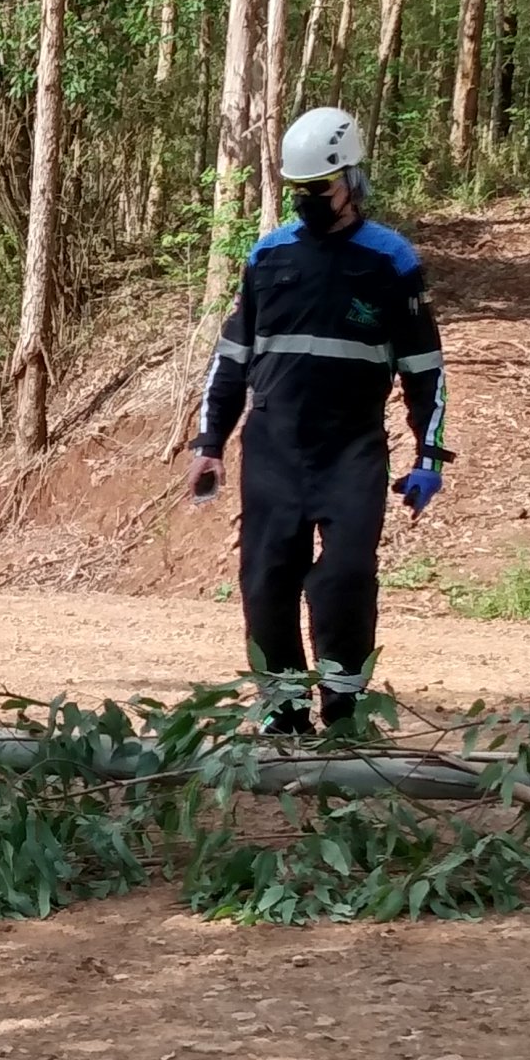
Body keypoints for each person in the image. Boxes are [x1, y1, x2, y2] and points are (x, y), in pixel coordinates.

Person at [188, 106, 450, 735]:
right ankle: (282, 712)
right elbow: (232, 359)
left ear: (352, 180)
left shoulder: (391, 260)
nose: (310, 200)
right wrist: (210, 443)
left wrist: (429, 456)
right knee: (266, 580)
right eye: (299, 190)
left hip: (351, 451)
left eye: (321, 188)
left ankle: (342, 710)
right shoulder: (269, 257)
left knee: (346, 576)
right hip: (274, 448)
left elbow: (424, 368)